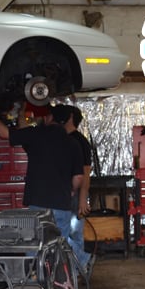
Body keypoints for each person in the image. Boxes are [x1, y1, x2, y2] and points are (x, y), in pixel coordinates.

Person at [0, 99, 93, 273]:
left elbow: (4, 133)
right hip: (61, 204)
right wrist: (71, 190)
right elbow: (78, 177)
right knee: (59, 245)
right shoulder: (73, 143)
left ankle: (37, 280)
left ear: (50, 118)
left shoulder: (36, 135)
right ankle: (62, 278)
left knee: (34, 244)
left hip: (38, 203)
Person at [52, 104, 95, 270]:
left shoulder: (79, 141)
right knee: (65, 232)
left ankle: (80, 264)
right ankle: (76, 267)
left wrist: (83, 199)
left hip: (75, 194)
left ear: (70, 117)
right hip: (62, 194)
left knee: (73, 233)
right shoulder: (61, 139)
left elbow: (85, 172)